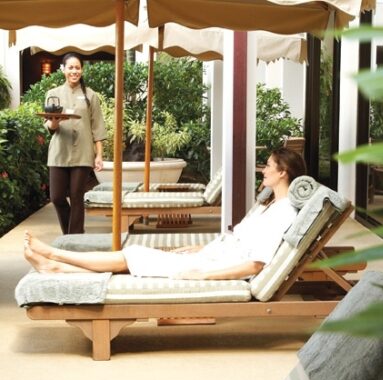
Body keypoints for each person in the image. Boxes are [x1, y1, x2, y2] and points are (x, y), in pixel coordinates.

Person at [24, 148, 307, 280]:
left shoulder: (282, 213)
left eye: (269, 166)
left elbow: (255, 265)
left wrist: (205, 276)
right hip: (209, 257)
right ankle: (56, 267)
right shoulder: (267, 205)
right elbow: (237, 241)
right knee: (131, 260)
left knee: (130, 257)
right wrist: (201, 247)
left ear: (283, 173)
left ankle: (56, 256)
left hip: (208, 268)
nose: (264, 169)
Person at [44, 52, 107, 234]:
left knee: (76, 196)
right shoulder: (53, 94)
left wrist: (99, 155)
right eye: (70, 67)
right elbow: (49, 125)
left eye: (77, 68)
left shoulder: (90, 95)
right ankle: (70, 234)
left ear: (82, 70)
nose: (74, 71)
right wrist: (54, 122)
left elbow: (98, 126)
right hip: (59, 152)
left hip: (83, 152)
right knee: (56, 197)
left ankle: (75, 237)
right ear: (63, 69)